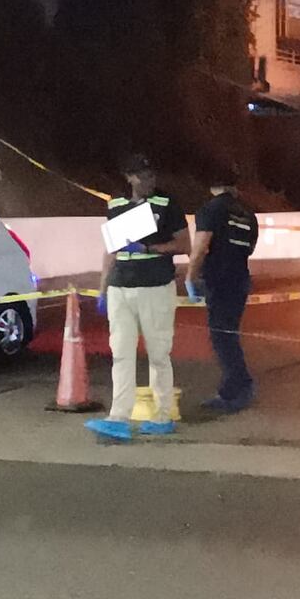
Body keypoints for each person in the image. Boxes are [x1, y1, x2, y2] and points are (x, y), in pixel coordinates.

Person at [85, 154, 190, 441]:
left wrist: (150, 249)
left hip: (155, 286)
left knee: (158, 353)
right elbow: (111, 249)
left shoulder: (167, 204)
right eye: (142, 176)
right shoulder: (116, 204)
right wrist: (103, 287)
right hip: (121, 287)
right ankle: (119, 416)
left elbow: (184, 244)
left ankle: (163, 414)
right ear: (129, 177)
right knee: (120, 353)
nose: (149, 180)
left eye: (151, 175)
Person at [186, 167, 259, 414]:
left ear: (212, 187)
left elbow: (201, 247)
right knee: (229, 334)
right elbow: (250, 247)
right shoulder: (248, 213)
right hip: (240, 278)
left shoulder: (210, 210)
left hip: (218, 279)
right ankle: (237, 386)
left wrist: (190, 276)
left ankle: (237, 388)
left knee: (222, 337)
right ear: (234, 186)